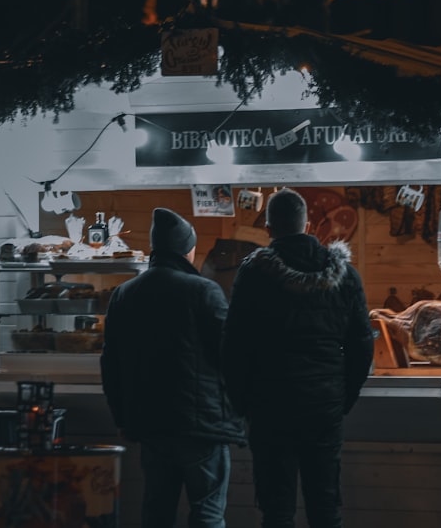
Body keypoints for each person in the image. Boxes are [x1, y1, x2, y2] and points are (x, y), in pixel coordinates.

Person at [222, 188, 374, 528]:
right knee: (325, 508)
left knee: (276, 511)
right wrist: (341, 397)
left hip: (269, 405)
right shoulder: (346, 276)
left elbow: (233, 346)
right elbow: (362, 346)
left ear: (270, 227)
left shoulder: (253, 273)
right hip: (323, 406)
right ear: (307, 224)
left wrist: (243, 403)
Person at [101, 207, 245, 528]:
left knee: (157, 512)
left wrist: (122, 416)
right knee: (207, 512)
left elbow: (110, 363)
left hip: (151, 425)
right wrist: (240, 409)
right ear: (187, 250)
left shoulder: (124, 294)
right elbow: (231, 354)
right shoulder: (203, 291)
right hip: (201, 426)